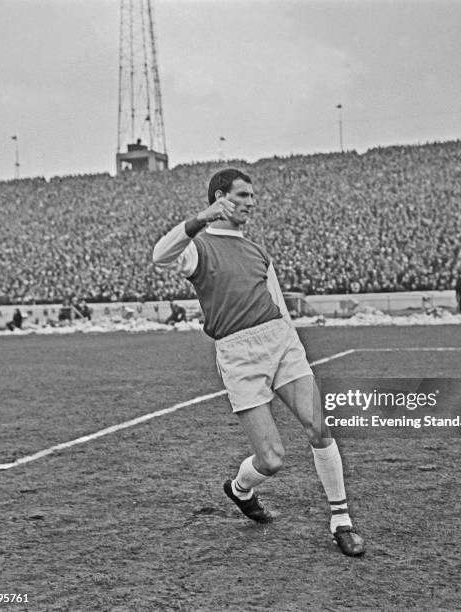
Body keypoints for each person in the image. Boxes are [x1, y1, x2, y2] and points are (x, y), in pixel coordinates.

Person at [152, 168, 365, 556]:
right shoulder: (199, 248)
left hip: (281, 343)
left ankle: (341, 520)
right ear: (221, 197)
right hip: (238, 354)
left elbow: (279, 306)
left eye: (253, 196)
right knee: (272, 459)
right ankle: (240, 489)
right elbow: (159, 256)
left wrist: (294, 348)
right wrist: (201, 218)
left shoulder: (257, 251)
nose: (252, 202)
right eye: (244, 195)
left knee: (319, 427)